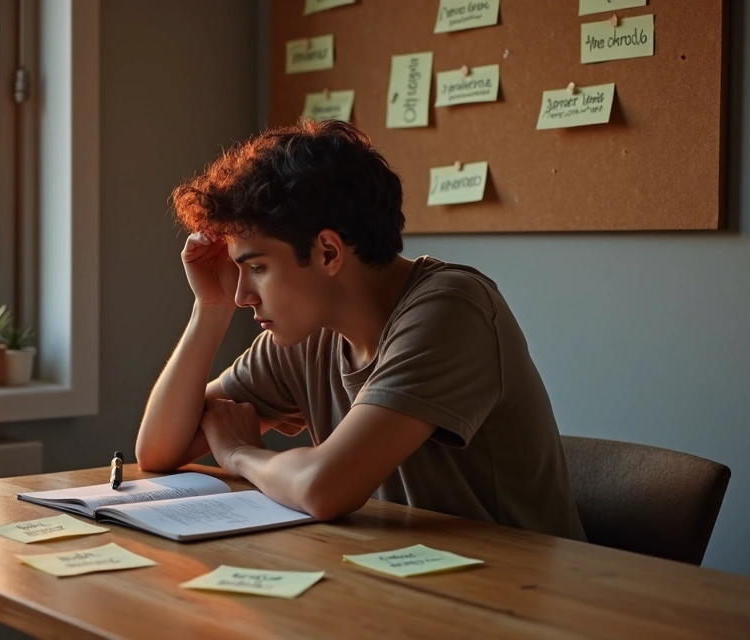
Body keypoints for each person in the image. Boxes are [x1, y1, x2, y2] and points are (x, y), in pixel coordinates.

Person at [134, 119, 585, 540]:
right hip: (397, 582)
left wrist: (238, 453)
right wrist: (208, 311)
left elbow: (323, 488)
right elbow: (157, 450)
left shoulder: (451, 310)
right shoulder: (307, 334)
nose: (242, 296)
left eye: (258, 268)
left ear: (329, 252)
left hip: (522, 599)